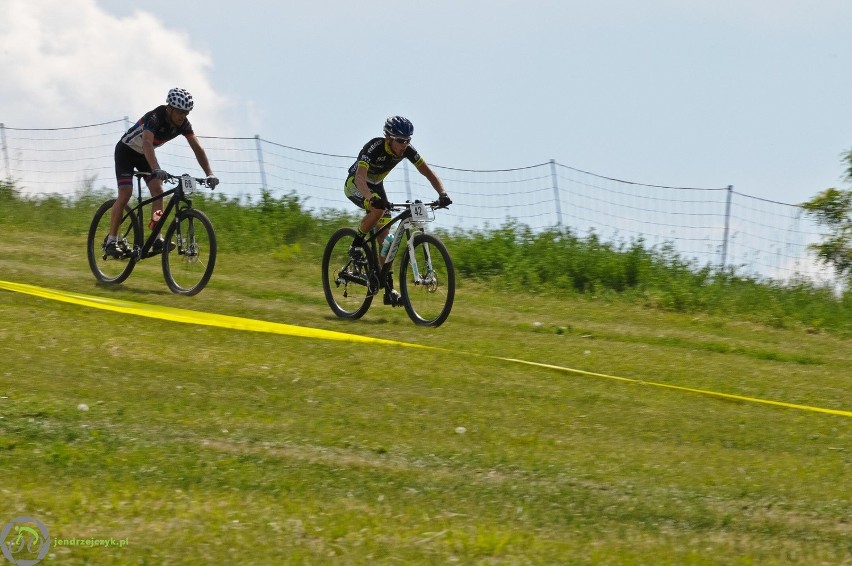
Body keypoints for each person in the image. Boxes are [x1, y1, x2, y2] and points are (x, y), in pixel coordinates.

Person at [344, 116, 452, 305]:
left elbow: (426, 171)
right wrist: (371, 199)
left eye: (408, 140)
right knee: (376, 211)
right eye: (401, 141)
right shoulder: (373, 147)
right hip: (357, 184)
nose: (405, 145)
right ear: (388, 139)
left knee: (387, 241)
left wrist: (442, 193)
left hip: (376, 186)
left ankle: (388, 289)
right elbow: (361, 177)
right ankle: (356, 245)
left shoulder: (407, 151)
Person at [105, 87, 219, 258]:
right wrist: (156, 168)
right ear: (170, 108)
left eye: (186, 113)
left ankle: (156, 237)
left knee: (158, 191)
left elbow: (197, 148)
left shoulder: (184, 124)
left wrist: (210, 173)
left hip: (144, 156)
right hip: (126, 152)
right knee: (126, 192)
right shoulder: (155, 117)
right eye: (180, 112)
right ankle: (111, 240)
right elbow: (147, 144)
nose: (182, 116)